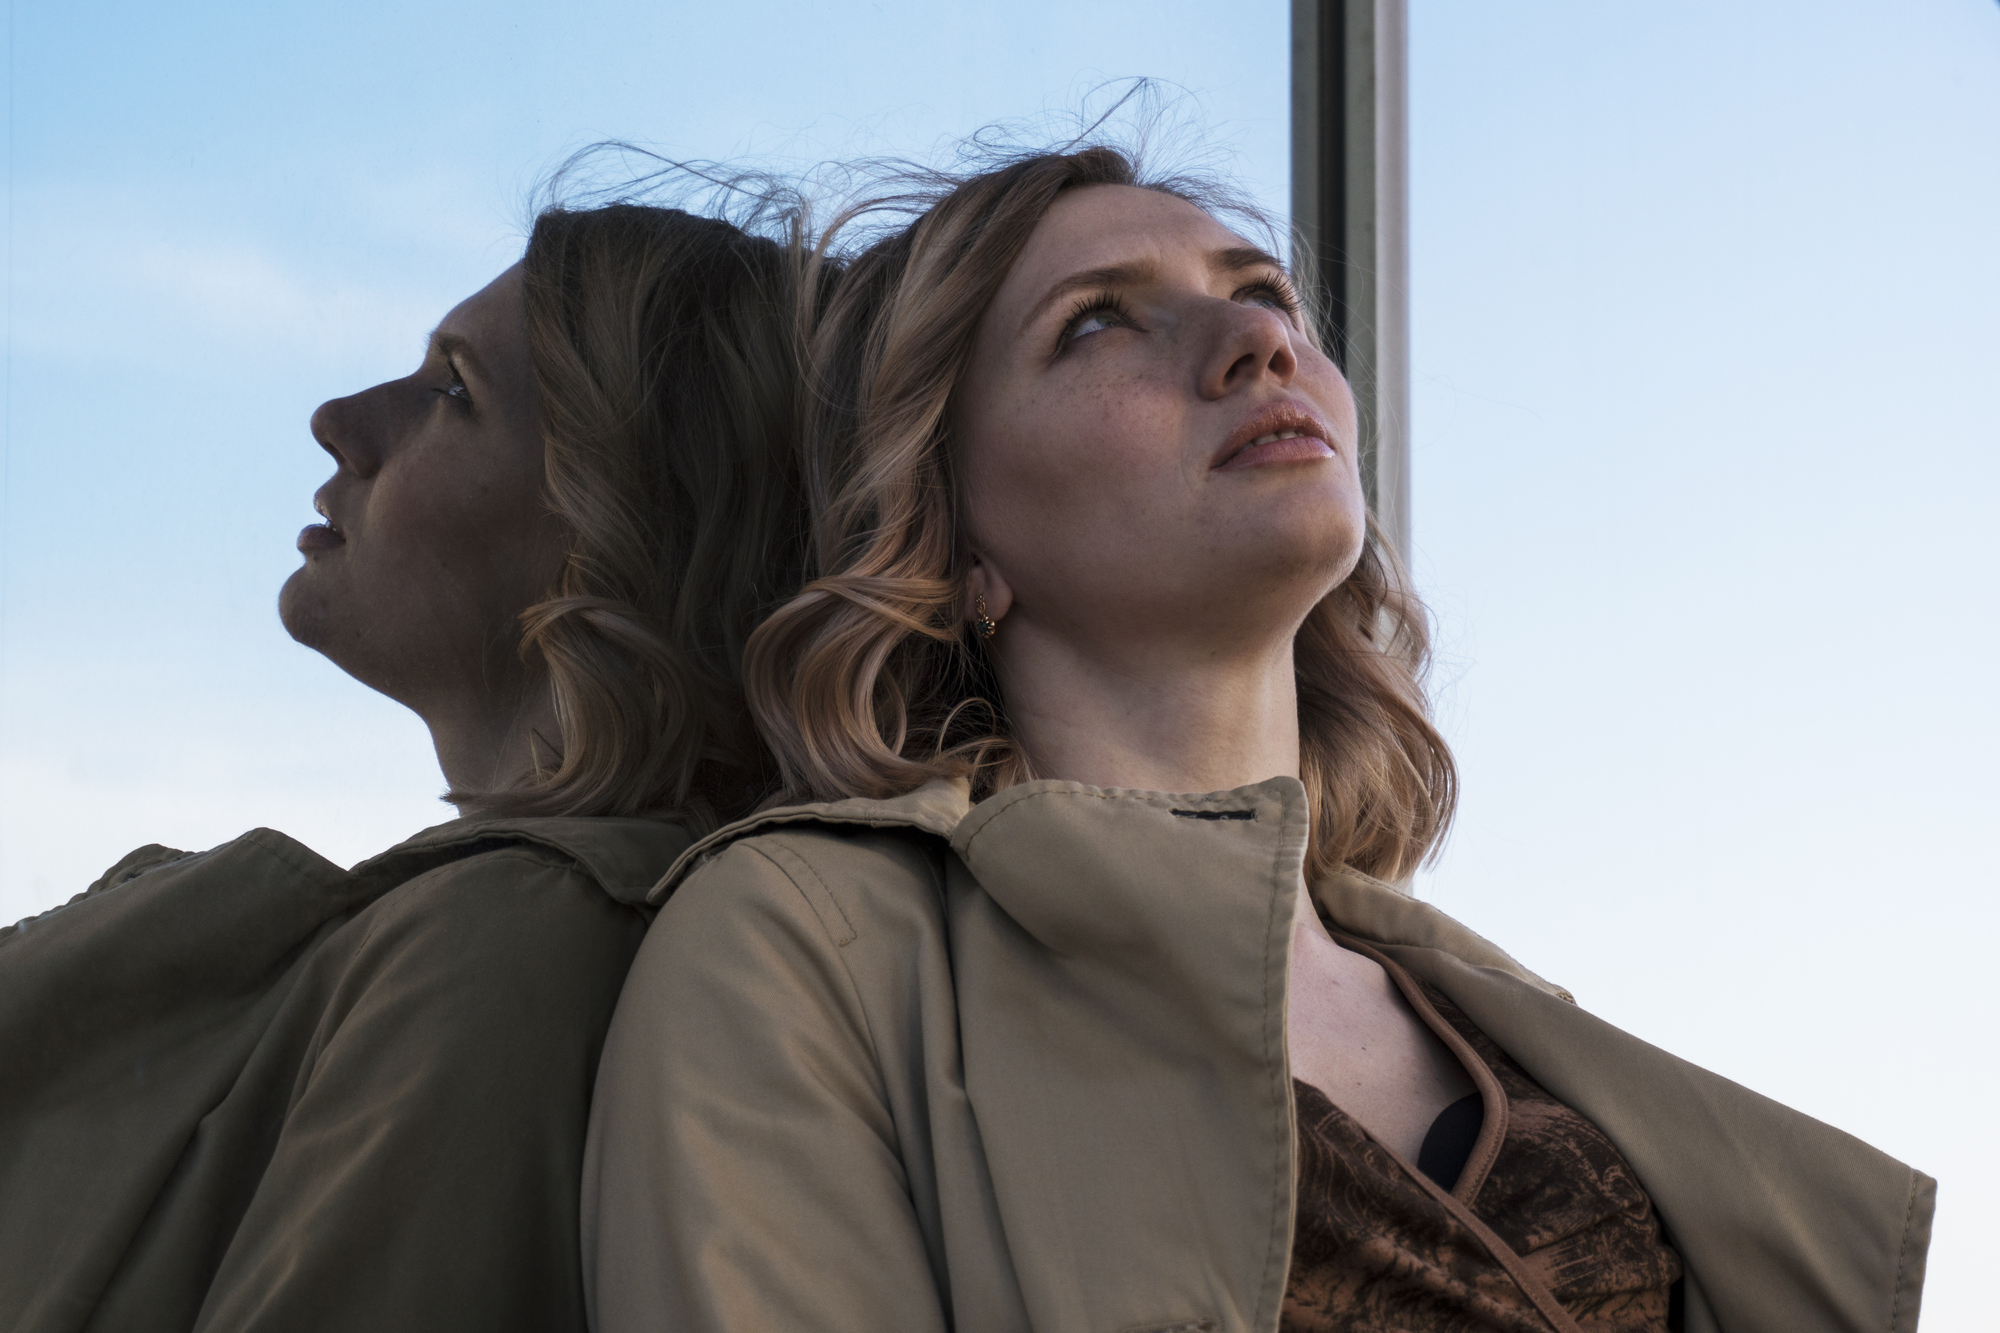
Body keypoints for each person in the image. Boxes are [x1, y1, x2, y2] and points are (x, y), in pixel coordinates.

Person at [585, 144, 1935, 1333]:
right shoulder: (803, 948)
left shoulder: (1505, 1014)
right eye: (1098, 323)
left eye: (1264, 292)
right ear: (955, 539)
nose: (1251, 340)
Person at [0, 198, 812, 1333]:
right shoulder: (470, 925)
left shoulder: (512, 939)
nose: (340, 420)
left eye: (453, 391)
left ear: (619, 530)